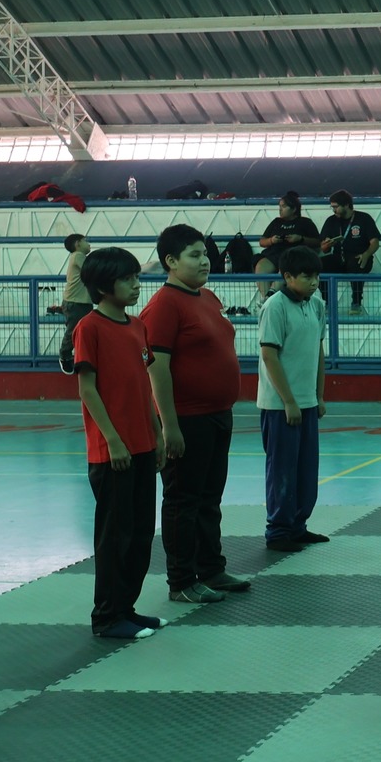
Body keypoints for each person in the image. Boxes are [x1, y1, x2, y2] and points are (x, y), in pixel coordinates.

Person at [142, 224, 250, 607]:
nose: (205, 261)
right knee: (183, 500)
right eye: (194, 255)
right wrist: (168, 425)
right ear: (170, 261)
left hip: (218, 415)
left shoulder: (208, 297)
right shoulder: (163, 306)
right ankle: (182, 580)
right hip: (187, 419)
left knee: (209, 497)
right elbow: (157, 369)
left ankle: (211, 567)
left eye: (205, 253)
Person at [72, 248, 165, 641]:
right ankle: (107, 616)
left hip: (143, 445)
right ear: (103, 285)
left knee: (142, 532)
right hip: (113, 452)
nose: (136, 286)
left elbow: (143, 386)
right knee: (116, 536)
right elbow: (87, 389)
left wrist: (157, 434)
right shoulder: (89, 328)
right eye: (127, 280)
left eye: (136, 278)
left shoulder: (136, 326)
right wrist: (113, 440)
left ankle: (127, 607)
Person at [257, 244, 328, 552]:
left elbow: (319, 351)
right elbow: (269, 355)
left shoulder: (316, 305)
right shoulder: (274, 306)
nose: (313, 282)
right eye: (306, 276)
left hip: (308, 401)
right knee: (282, 470)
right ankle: (278, 531)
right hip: (279, 405)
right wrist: (288, 401)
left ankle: (298, 525)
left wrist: (319, 395)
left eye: (316, 276)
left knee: (306, 468)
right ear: (287, 276)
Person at [319, 190, 381, 314]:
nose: (333, 210)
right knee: (320, 264)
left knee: (356, 263)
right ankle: (329, 303)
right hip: (339, 257)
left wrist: (367, 254)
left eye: (336, 207)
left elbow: (375, 242)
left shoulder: (364, 218)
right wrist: (326, 244)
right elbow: (323, 248)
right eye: (332, 207)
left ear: (347, 205)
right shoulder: (331, 221)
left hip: (359, 256)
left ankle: (356, 303)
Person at [254, 192, 320, 303]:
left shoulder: (305, 222)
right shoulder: (276, 222)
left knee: (285, 267)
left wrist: (300, 239)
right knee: (261, 266)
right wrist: (272, 240)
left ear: (294, 209)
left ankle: (271, 293)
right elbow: (262, 241)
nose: (280, 210)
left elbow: (317, 241)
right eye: (279, 207)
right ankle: (266, 298)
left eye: (284, 207)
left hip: (294, 255)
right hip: (274, 253)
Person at [56, 234, 91, 373]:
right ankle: (64, 356)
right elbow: (93, 271)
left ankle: (81, 357)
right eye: (85, 241)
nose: (88, 244)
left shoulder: (79, 257)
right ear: (77, 244)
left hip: (81, 302)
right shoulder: (78, 256)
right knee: (73, 331)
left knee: (82, 332)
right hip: (75, 302)